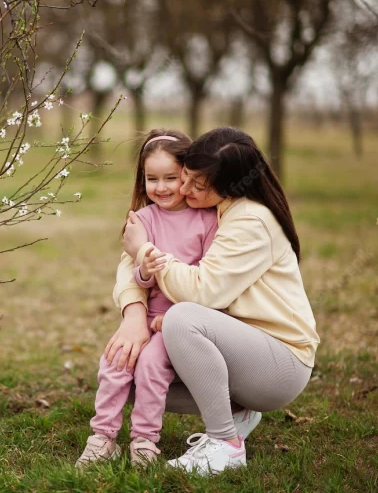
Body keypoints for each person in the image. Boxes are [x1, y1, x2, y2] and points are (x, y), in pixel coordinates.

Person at [110, 126, 320, 476]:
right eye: (187, 177)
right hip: (239, 346)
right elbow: (128, 263)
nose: (184, 189)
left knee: (183, 318)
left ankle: (225, 444)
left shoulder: (250, 221)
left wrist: (145, 250)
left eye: (197, 183)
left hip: (280, 363)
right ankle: (238, 413)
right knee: (129, 371)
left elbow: (204, 292)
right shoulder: (215, 209)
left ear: (231, 184)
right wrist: (134, 313)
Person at [76, 130, 218, 468]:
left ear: (188, 174)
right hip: (146, 317)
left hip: (181, 322)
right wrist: (146, 271)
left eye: (171, 177)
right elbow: (138, 278)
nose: (162, 187)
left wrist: (172, 287)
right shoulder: (142, 219)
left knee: (153, 365)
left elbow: (209, 279)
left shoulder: (207, 220)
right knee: (115, 361)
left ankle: (144, 440)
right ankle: (103, 437)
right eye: (152, 178)